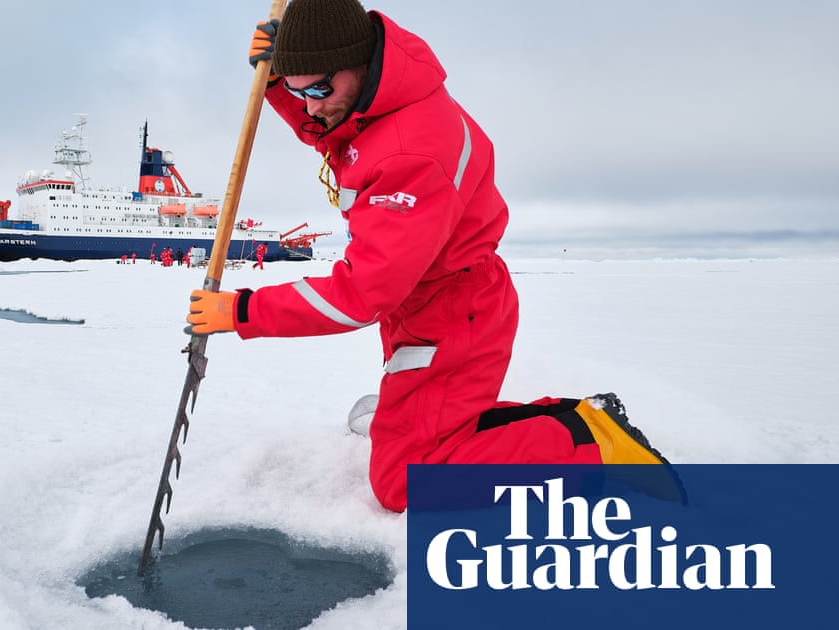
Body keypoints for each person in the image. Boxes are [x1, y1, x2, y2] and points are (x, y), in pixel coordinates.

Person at [186, 0, 669, 512]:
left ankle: (592, 444)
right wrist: (281, 87)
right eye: (299, 90)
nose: (310, 107)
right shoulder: (376, 102)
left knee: (406, 482)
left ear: (357, 63)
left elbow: (360, 295)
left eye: (319, 90)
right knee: (424, 438)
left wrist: (241, 312)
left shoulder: (411, 153)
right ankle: (530, 422)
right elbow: (335, 133)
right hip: (424, 298)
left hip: (452, 312)